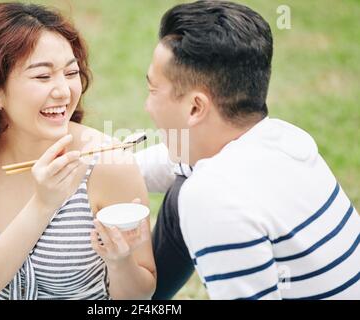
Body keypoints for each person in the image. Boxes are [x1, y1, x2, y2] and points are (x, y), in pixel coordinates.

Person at [0, 3, 156, 300]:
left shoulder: (107, 161)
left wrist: (120, 263)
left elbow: (140, 297)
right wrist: (43, 204)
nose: (64, 91)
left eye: (71, 72)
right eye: (42, 77)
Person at [136, 0, 360, 299]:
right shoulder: (283, 138)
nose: (147, 105)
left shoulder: (213, 199)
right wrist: (97, 164)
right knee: (179, 192)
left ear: (195, 107)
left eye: (153, 91)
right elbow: (171, 162)